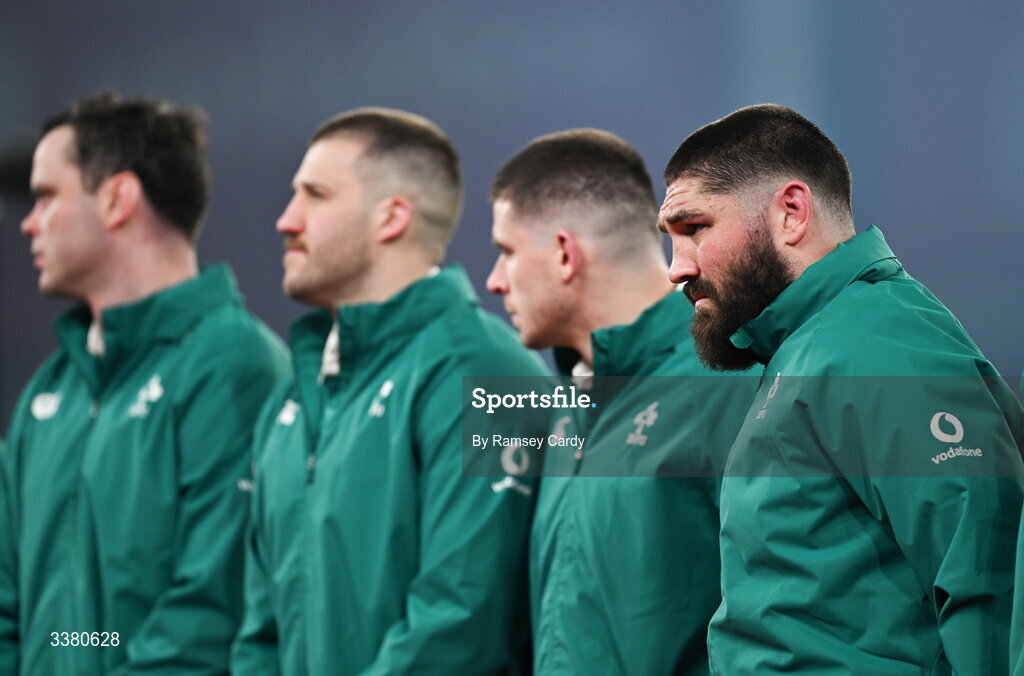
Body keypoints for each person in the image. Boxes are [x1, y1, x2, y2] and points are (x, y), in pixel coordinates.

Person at [659, 103, 1024, 675]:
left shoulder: (876, 342)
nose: (676, 268)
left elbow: (987, 583)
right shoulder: (811, 350)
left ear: (791, 212)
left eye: (695, 228)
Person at [230, 107, 548, 675]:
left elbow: (459, 624)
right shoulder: (289, 401)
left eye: (315, 195)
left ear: (391, 217)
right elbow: (260, 633)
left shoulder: (486, 372)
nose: (285, 219)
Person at [0, 92, 290, 674]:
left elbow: (212, 611)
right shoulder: (50, 389)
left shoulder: (236, 365)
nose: (29, 223)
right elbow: (13, 606)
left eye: (46, 197)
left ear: (117, 199)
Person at [486, 128, 756, 675]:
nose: (493, 281)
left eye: (506, 253)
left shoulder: (731, 384)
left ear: (565, 254)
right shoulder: (568, 402)